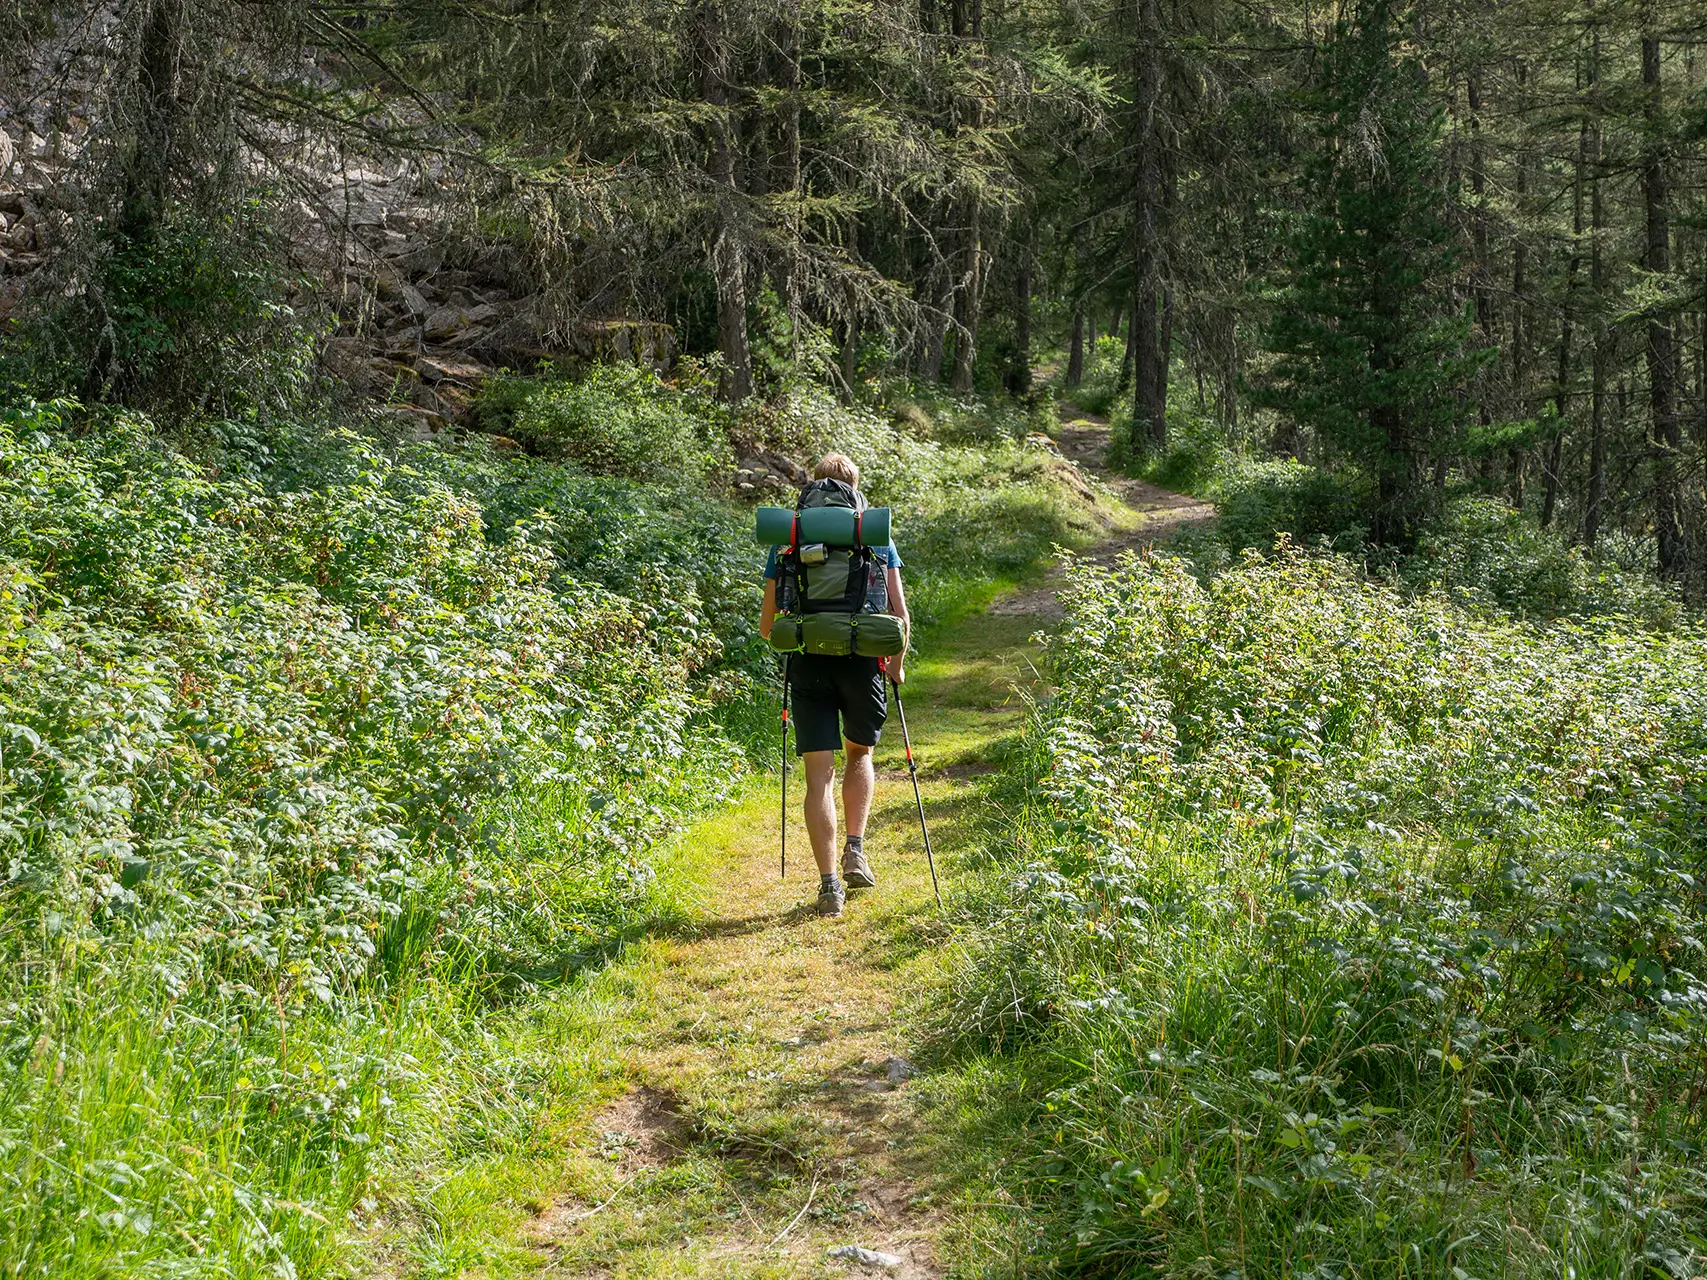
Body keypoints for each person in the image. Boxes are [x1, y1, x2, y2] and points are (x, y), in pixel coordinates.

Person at [759, 453, 909, 917]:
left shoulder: (788, 539)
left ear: (810, 487)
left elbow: (768, 626)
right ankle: (855, 850)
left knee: (816, 775)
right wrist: (896, 665)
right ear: (855, 489)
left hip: (807, 663)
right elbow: (899, 615)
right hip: (862, 659)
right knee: (858, 754)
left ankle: (828, 888)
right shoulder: (872, 535)